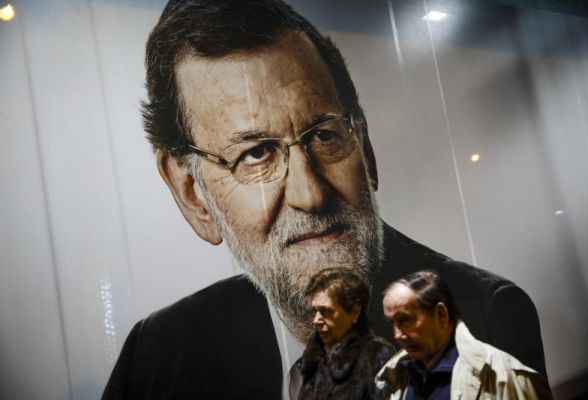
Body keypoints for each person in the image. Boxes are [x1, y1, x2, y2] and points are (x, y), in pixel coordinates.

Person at [102, 1, 547, 399]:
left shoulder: (483, 321)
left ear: (365, 148)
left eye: (324, 134)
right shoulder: (156, 353)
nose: (310, 193)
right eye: (255, 154)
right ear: (192, 194)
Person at [375, 271, 552, 400]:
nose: (397, 335)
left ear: (441, 314)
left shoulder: (503, 377)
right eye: (392, 323)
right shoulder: (395, 378)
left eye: (406, 320)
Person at [297, 268, 395, 400]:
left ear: (355, 312)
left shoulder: (375, 355)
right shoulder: (313, 358)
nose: (316, 320)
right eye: (315, 311)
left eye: (326, 311)